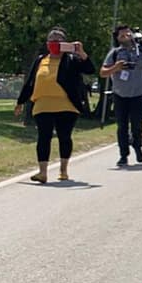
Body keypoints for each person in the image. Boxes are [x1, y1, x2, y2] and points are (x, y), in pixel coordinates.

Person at [15, 27, 95, 183]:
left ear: (65, 43)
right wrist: (20, 101)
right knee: (43, 137)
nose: (55, 42)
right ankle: (42, 172)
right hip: (43, 105)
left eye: (58, 40)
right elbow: (30, 82)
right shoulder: (40, 60)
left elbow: (90, 70)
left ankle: (63, 170)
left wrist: (81, 53)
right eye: (52, 40)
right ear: (47, 43)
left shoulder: (72, 60)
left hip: (67, 105)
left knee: (64, 137)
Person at [101, 25, 142, 167]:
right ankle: (123, 155)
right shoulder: (115, 53)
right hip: (120, 94)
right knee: (122, 126)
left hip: (138, 93)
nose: (126, 36)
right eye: (122, 35)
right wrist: (116, 67)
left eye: (128, 34)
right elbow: (103, 72)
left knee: (137, 124)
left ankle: (137, 146)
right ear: (117, 38)